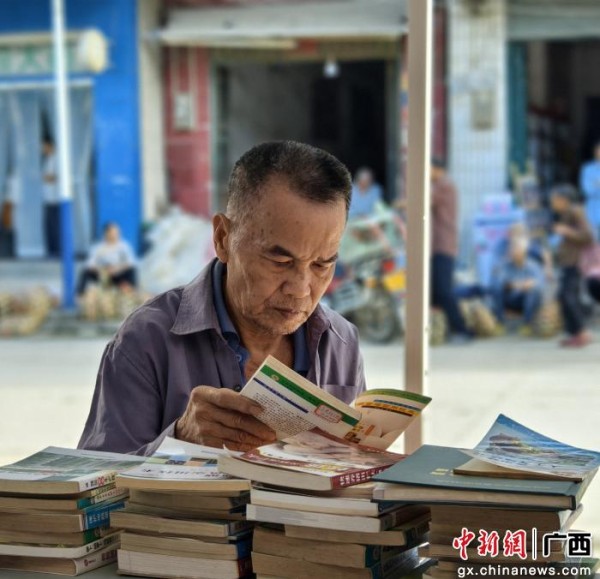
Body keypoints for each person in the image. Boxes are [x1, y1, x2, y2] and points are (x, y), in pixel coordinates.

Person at [78, 141, 366, 456]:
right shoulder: (147, 340)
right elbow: (99, 479)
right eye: (280, 261)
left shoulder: (340, 342)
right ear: (222, 239)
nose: (300, 289)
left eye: (322, 264)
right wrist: (179, 439)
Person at [430, 159, 471, 342]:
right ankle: (444, 329)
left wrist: (401, 203)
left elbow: (423, 200)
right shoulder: (439, 185)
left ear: (438, 169)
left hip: (443, 245)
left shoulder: (444, 186)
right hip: (436, 246)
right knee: (435, 292)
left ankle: (462, 329)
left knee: (444, 290)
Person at [550, 184, 594, 348]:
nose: (552, 201)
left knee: (567, 296)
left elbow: (588, 236)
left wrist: (566, 231)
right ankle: (574, 333)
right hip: (568, 261)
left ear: (564, 200)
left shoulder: (575, 211)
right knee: (565, 296)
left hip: (575, 261)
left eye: (555, 198)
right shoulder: (566, 213)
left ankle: (582, 332)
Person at [491, 236, 544, 336]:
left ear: (524, 252)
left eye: (516, 249)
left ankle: (527, 324)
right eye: (512, 249)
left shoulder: (533, 266)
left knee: (532, 292)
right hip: (510, 298)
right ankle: (499, 323)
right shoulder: (504, 265)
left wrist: (531, 284)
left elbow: (539, 283)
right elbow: (499, 282)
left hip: (526, 300)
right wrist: (520, 284)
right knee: (496, 290)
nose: (513, 252)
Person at [77, 222, 137, 295]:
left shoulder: (124, 246)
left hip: (118, 273)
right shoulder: (98, 247)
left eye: (117, 232)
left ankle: (133, 292)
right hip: (103, 274)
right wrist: (102, 270)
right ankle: (80, 294)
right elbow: (89, 264)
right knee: (85, 272)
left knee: (132, 270)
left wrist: (117, 268)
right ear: (106, 233)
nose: (116, 235)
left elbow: (131, 262)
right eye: (113, 232)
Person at [42, 138, 61, 258]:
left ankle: (57, 250)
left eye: (44, 146)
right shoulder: (47, 159)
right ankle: (51, 250)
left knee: (55, 226)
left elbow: (58, 177)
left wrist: (46, 178)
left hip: (55, 199)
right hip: (48, 199)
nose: (42, 149)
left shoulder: (57, 159)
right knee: (49, 226)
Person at [579, 141, 600, 239]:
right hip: (593, 212)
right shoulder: (588, 169)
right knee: (594, 240)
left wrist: (597, 183)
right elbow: (587, 190)